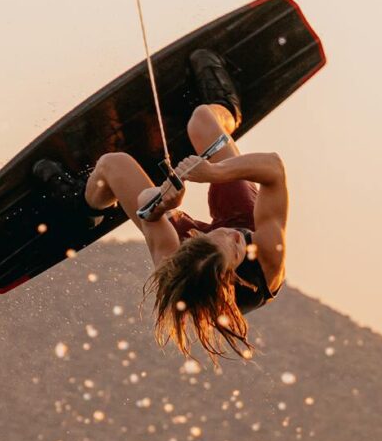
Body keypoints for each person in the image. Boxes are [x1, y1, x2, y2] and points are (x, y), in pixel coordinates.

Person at [34, 50, 287, 361]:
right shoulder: (266, 254)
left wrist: (159, 205)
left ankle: (84, 208)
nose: (230, 236)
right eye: (233, 243)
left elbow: (150, 219)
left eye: (226, 241)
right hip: (240, 225)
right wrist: (214, 172)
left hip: (193, 272)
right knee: (201, 122)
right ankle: (226, 110)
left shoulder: (173, 260)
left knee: (112, 166)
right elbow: (274, 169)